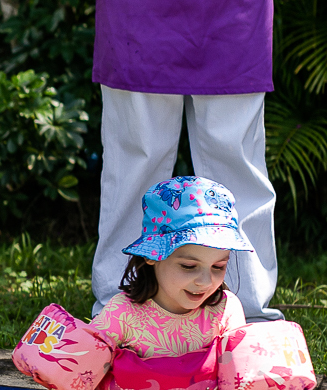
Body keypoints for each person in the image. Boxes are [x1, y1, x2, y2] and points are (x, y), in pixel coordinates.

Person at [15, 177, 315, 390]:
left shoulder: (225, 311)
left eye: (218, 267)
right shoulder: (122, 316)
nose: (205, 282)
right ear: (152, 257)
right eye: (189, 266)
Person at [90, 0, 282, 322]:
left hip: (232, 11)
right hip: (138, 12)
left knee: (236, 165)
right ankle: (119, 313)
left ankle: (246, 319)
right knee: (135, 164)